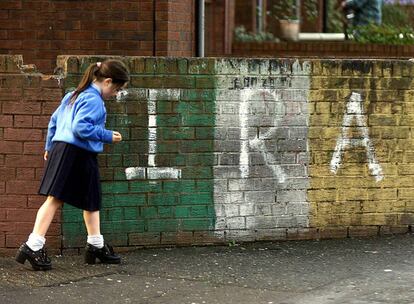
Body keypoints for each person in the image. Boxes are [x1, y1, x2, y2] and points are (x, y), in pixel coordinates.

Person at [15, 59, 130, 271]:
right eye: (116, 89)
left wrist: (50, 146)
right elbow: (80, 128)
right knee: (55, 199)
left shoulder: (73, 94)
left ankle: (95, 244)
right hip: (76, 152)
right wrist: (107, 135)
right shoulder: (93, 100)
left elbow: (54, 121)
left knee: (91, 197)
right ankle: (33, 244)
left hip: (64, 149)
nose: (115, 94)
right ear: (107, 81)